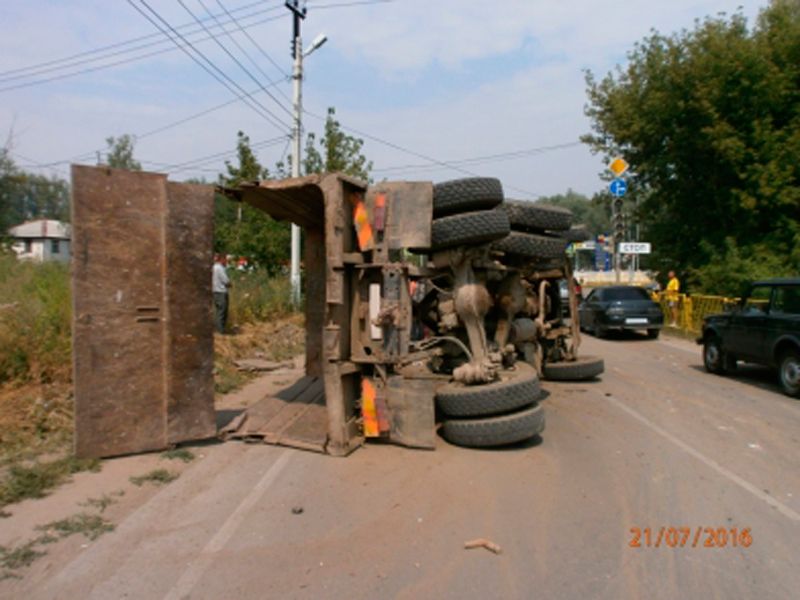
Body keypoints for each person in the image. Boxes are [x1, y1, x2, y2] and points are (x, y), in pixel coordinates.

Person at [212, 254, 231, 334]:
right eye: (226, 260)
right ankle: (220, 331)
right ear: (222, 259)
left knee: (219, 311)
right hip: (221, 292)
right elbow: (226, 281)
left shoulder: (213, 267)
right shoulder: (219, 268)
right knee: (222, 312)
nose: (227, 261)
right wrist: (230, 284)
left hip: (215, 291)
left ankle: (219, 329)